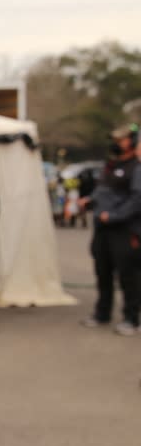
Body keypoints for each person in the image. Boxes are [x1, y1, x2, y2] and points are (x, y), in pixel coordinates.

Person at [80, 125, 141, 335]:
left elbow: (137, 199)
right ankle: (102, 313)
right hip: (102, 228)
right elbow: (102, 191)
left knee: (128, 276)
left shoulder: (137, 167)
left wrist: (114, 215)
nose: (117, 144)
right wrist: (89, 201)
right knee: (102, 271)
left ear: (132, 141)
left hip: (124, 230)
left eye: (122, 140)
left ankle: (131, 318)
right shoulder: (111, 165)